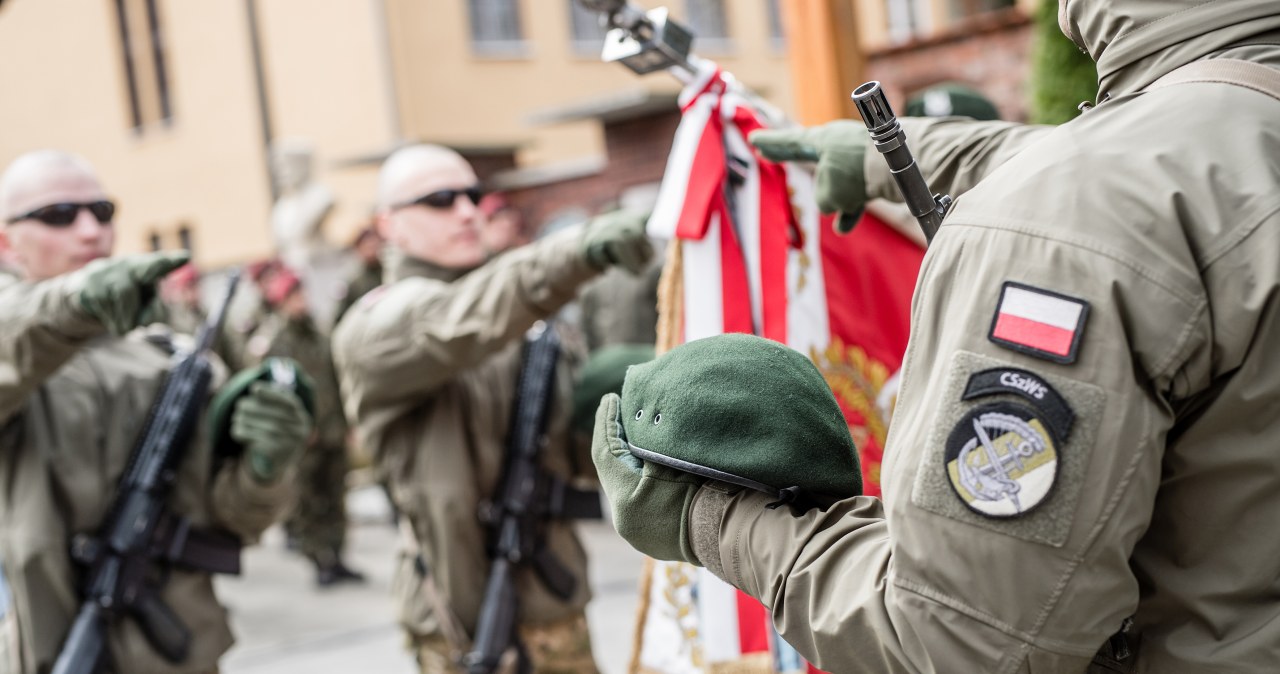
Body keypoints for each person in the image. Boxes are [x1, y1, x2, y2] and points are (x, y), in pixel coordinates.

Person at [591, 1, 1280, 671]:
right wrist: (908, 155)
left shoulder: (1079, 211)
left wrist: (707, 517)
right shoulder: (1217, 153)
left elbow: (966, 642)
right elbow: (1196, 176)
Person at [332, 144, 652, 673]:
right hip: (461, 629)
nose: (465, 211)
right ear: (387, 223)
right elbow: (457, 321)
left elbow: (577, 463)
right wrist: (574, 252)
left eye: (472, 195)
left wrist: (614, 407)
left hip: (555, 612)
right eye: (438, 199)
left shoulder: (525, 324)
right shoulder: (377, 325)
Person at [0, 150, 313, 673]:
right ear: (6, 241)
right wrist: (77, 301)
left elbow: (235, 519)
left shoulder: (171, 358)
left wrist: (266, 467)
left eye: (102, 211)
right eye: (58, 215)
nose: (89, 230)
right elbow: (19, 333)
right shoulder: (16, 355)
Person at [253, 268, 364, 586]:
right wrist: (297, 427)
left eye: (302, 294)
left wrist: (347, 421)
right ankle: (318, 559)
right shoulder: (276, 342)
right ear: (282, 302)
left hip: (333, 431)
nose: (300, 302)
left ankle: (338, 554)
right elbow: (274, 394)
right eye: (293, 297)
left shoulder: (320, 335)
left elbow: (338, 379)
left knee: (336, 495)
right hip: (306, 438)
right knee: (309, 500)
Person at [333, 226, 383, 324]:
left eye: (374, 245)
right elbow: (340, 318)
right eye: (367, 246)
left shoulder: (389, 272)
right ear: (358, 249)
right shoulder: (353, 283)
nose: (372, 250)